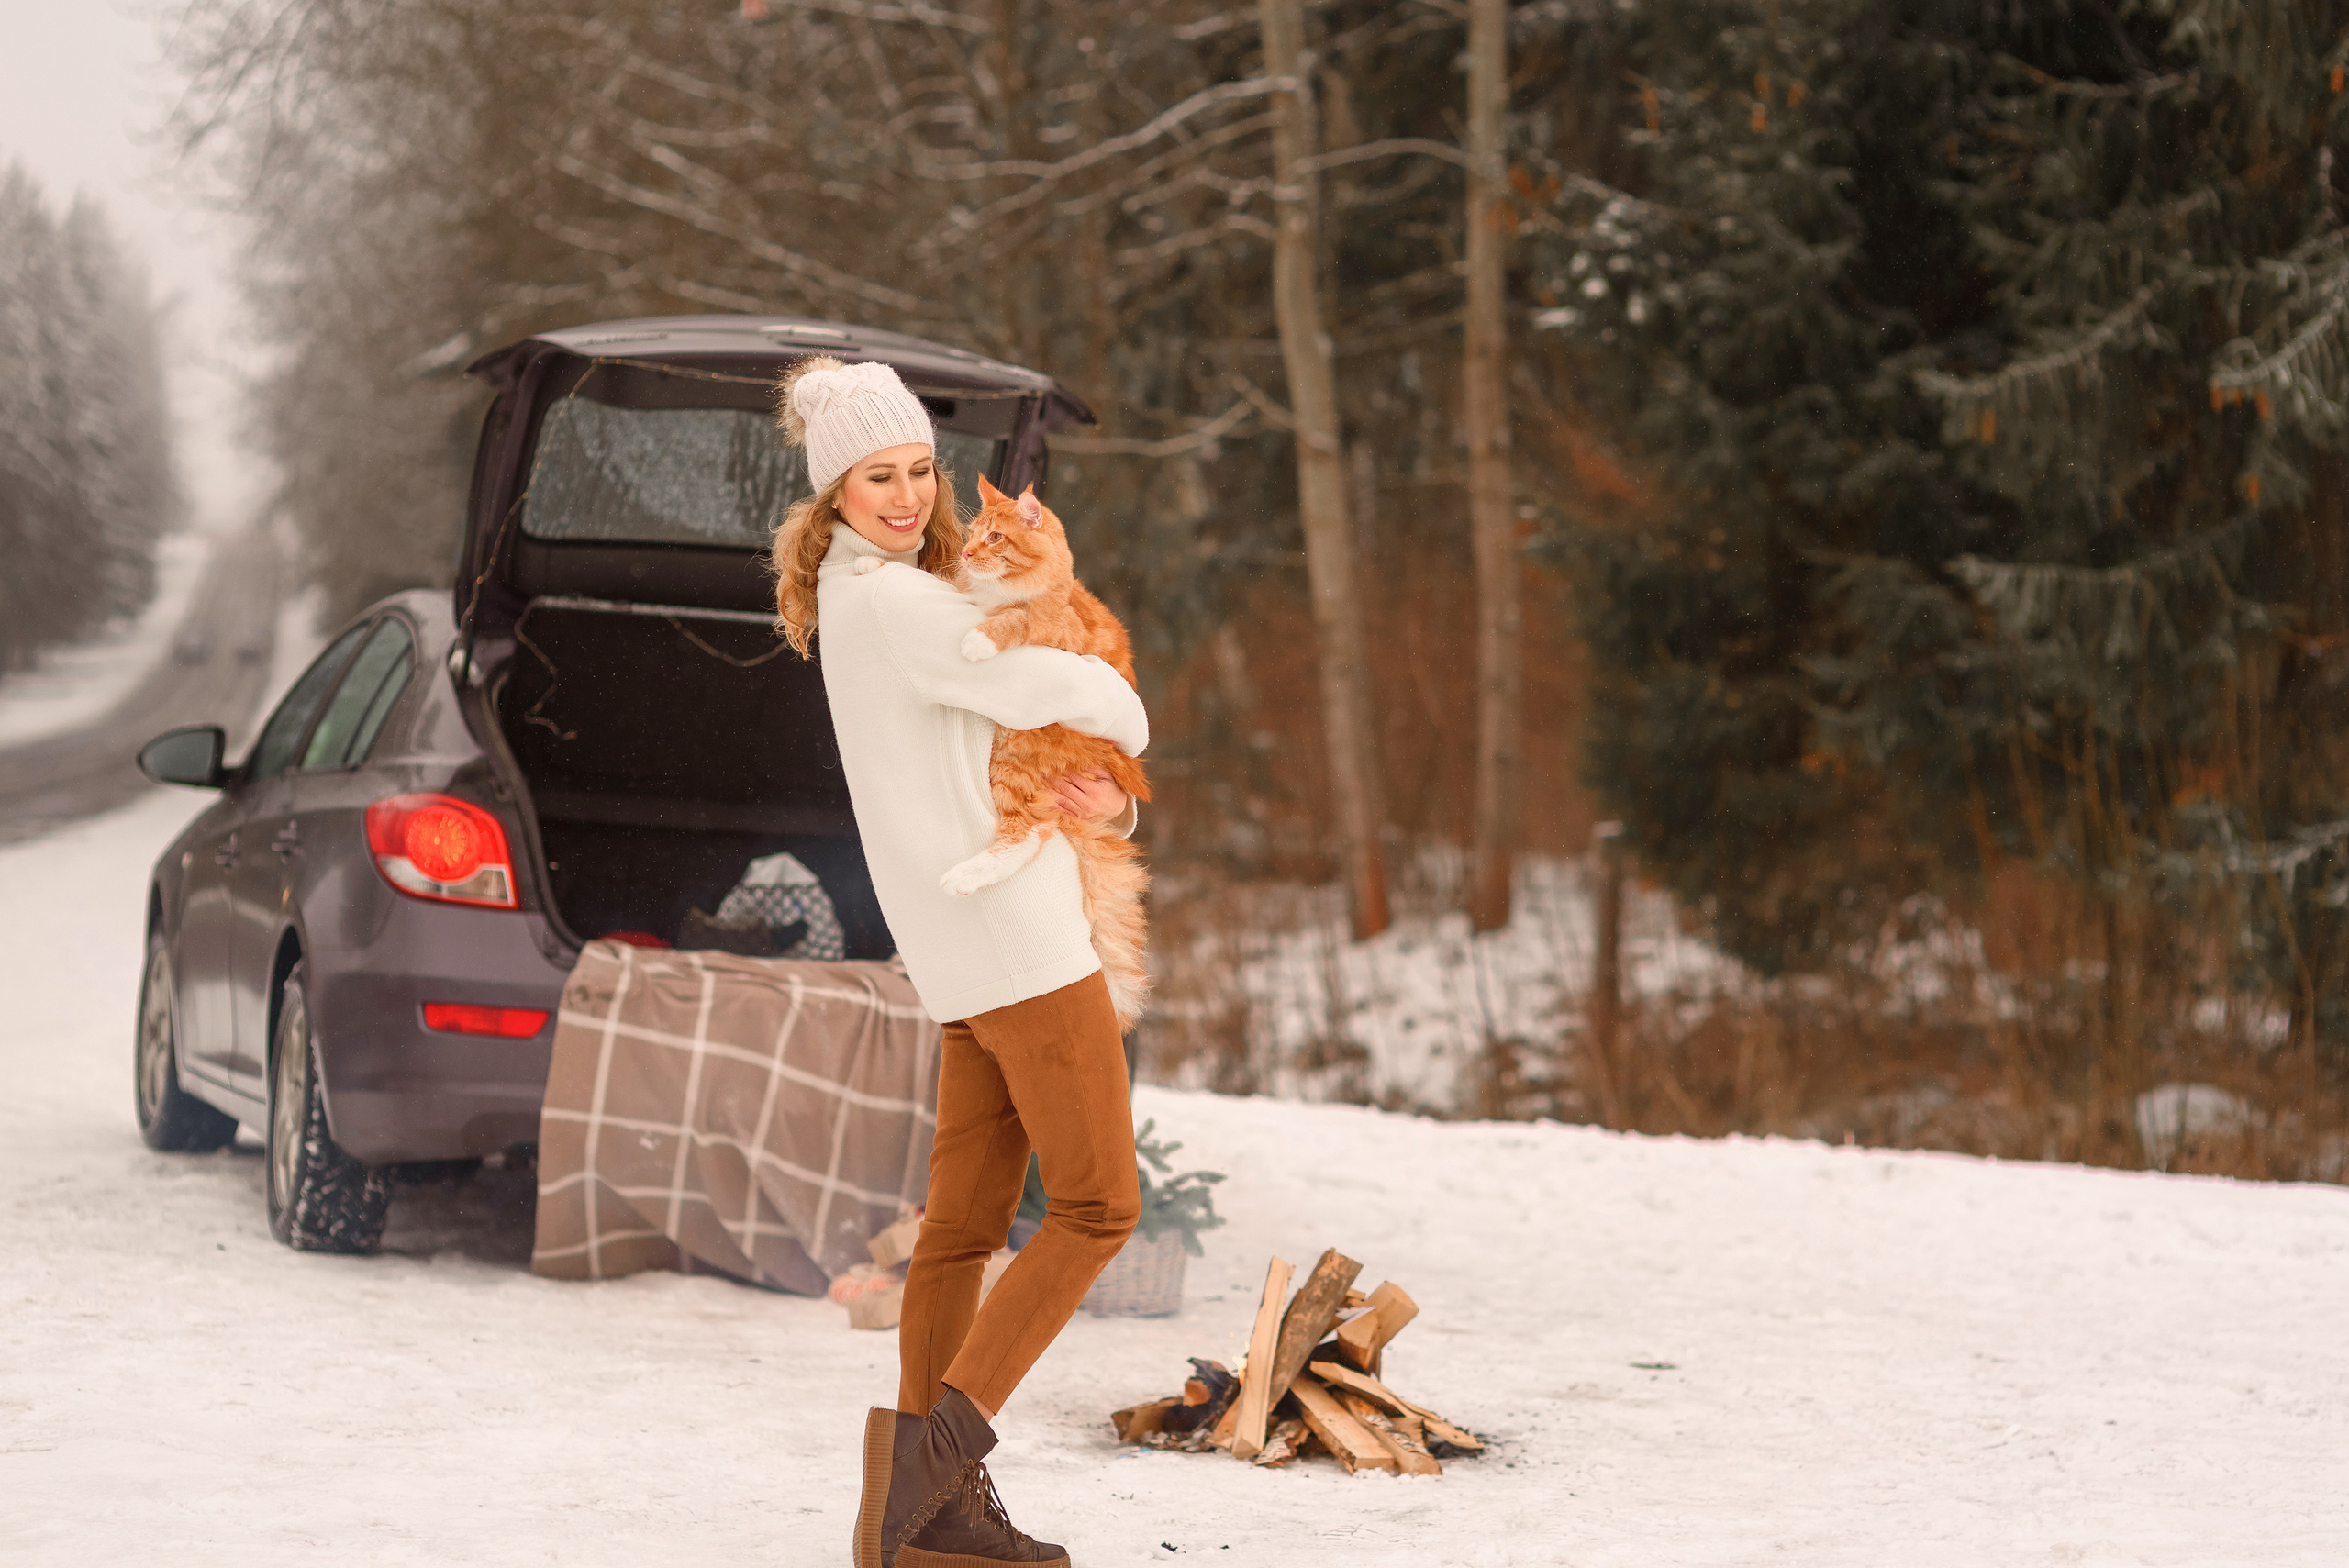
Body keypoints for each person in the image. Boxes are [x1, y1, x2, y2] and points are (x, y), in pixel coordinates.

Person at [771, 356, 1143, 1568]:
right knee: (1098, 1206)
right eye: (877, 475)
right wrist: (1122, 712)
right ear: (834, 491)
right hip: (1022, 943)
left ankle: (930, 1518)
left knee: (961, 1232)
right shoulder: (893, 601)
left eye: (921, 469)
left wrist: (1106, 799)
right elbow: (1044, 678)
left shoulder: (869, 590)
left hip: (963, 945)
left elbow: (997, 740)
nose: (907, 494)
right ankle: (932, 1464)